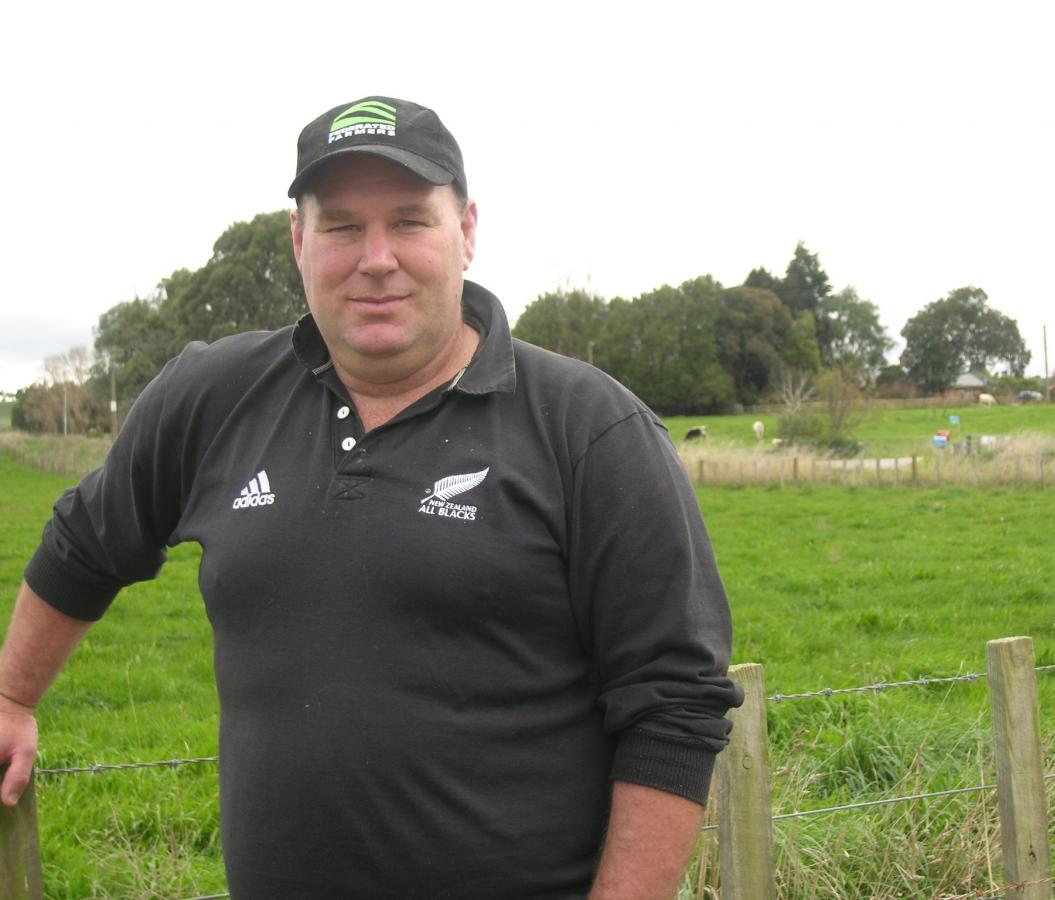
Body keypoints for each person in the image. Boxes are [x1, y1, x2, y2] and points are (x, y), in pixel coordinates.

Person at [0, 96, 741, 899]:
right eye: (343, 226)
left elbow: (674, 705)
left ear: (467, 231)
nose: (376, 257)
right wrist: (11, 695)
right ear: (298, 240)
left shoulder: (590, 429)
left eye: (411, 221)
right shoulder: (213, 397)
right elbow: (84, 544)